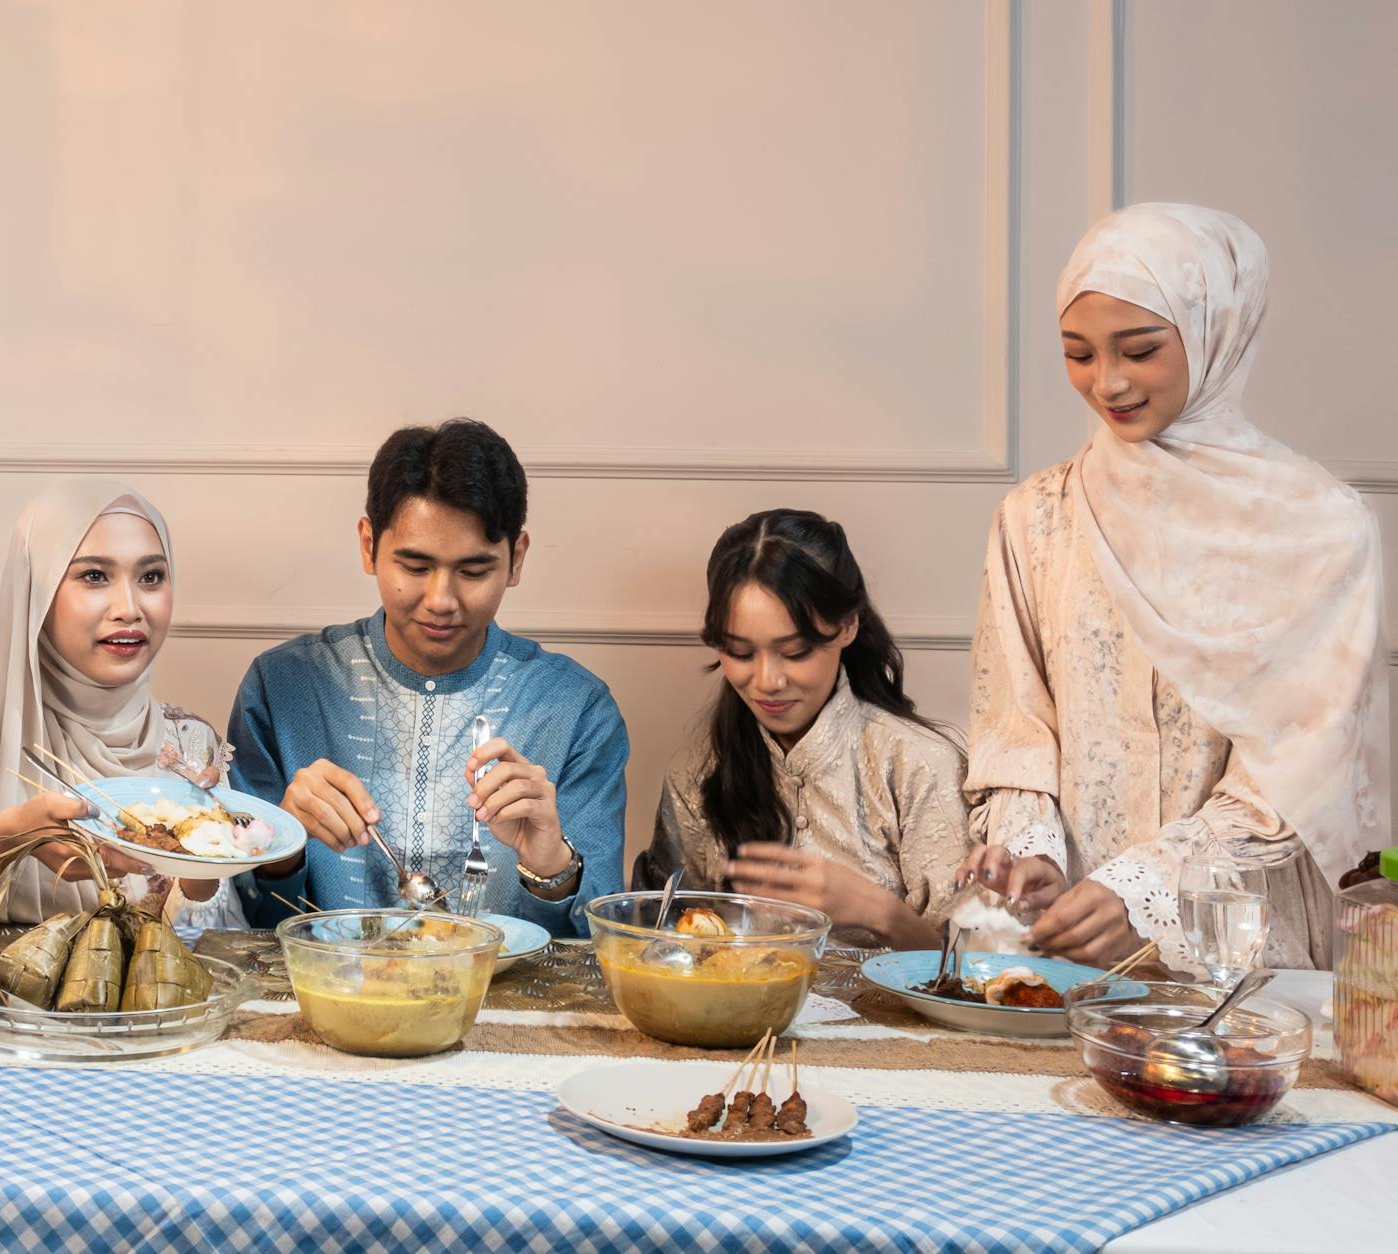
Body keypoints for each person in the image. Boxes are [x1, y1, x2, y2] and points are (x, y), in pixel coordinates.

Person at [960, 203, 1387, 970]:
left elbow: (1297, 762)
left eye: (1140, 349)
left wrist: (1142, 892)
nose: (1108, 382)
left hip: (1234, 942)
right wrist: (1036, 860)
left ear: (1212, 332)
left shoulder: (1318, 526)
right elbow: (1014, 727)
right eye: (1078, 354)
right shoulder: (1034, 520)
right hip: (1067, 940)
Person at [227, 419, 628, 937]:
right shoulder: (281, 688)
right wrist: (279, 846)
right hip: (328, 1002)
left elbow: (604, 945)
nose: (441, 600)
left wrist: (552, 868)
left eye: (473, 571)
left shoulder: (575, 709)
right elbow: (242, 923)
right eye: (415, 567)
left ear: (516, 559)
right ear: (369, 546)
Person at [0, 479, 245, 937]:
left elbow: (216, 944)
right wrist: (12, 835)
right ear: (35, 594)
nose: (130, 608)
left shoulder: (190, 747)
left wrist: (205, 860)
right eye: (95, 576)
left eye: (151, 577)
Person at [631, 510, 969, 948]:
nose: (768, 681)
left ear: (847, 626)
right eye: (740, 652)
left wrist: (878, 911)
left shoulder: (918, 765)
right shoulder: (696, 775)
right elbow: (663, 945)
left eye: (796, 652)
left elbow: (972, 981)